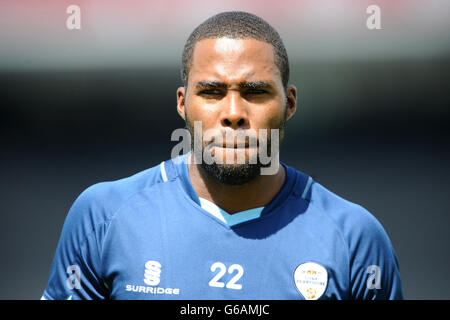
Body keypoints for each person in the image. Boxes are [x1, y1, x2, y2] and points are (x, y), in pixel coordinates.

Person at [41, 11, 403, 300]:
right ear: (183, 103)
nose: (233, 112)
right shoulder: (104, 218)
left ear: (289, 103)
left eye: (256, 92)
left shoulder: (354, 238)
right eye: (212, 91)